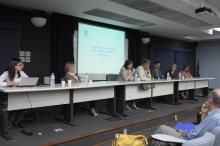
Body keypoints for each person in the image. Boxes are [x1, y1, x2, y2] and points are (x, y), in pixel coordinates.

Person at [151, 89, 220, 146]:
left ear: (210, 100)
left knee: (162, 129)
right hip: (199, 139)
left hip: (189, 140)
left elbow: (193, 135)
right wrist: (204, 113)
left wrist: (183, 133)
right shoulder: (216, 115)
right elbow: (203, 128)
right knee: (162, 142)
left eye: (208, 98)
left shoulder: (213, 119)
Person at [0, 58, 28, 128]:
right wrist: (7, 84)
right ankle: (8, 124)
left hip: (21, 95)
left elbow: (28, 81)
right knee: (14, 109)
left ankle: (15, 122)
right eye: (20, 65)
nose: (22, 66)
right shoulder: (6, 73)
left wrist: (19, 84)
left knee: (25, 107)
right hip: (10, 96)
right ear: (14, 66)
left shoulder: (22, 73)